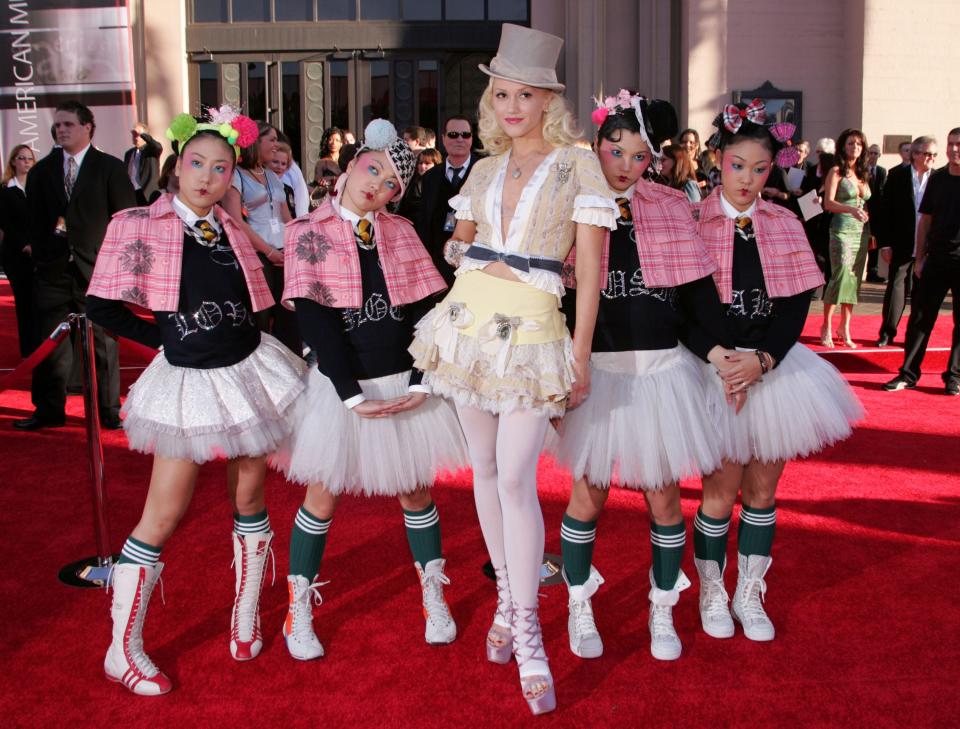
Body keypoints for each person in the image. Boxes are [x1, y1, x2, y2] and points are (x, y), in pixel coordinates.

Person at [408, 23, 616, 715]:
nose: (511, 106)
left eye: (525, 94)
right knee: (486, 469)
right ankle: (505, 596)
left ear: (548, 100)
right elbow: (455, 245)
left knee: (519, 473)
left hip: (532, 330)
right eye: (501, 93)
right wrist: (466, 250)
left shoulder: (578, 164)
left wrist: (580, 352)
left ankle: (528, 627)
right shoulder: (485, 169)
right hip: (468, 323)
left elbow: (590, 267)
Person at [85, 107, 307, 695]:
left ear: (233, 175)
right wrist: (166, 337)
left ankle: (244, 616)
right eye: (197, 164)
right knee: (163, 513)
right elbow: (102, 307)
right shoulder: (137, 223)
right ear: (177, 167)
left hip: (248, 373)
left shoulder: (232, 229)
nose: (207, 176)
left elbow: (257, 304)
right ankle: (120, 649)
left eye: (221, 168)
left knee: (251, 494)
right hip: (187, 381)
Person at [552, 91, 735, 663]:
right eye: (615, 151)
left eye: (639, 156)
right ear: (597, 145)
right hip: (596, 372)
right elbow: (551, 294)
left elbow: (695, 295)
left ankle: (663, 608)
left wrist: (720, 350)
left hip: (660, 371)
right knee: (588, 494)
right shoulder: (571, 204)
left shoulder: (671, 205)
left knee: (663, 498)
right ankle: (578, 602)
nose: (626, 166)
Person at [276, 119, 466, 660]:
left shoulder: (401, 233)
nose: (376, 185)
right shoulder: (305, 233)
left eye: (390, 185)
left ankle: (433, 592)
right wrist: (349, 393)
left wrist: (423, 378)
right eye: (372, 169)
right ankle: (299, 604)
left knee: (414, 489)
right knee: (322, 492)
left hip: (402, 379)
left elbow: (429, 310)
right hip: (342, 384)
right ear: (354, 162)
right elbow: (315, 321)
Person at [692, 100, 862, 644]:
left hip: (775, 369)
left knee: (762, 492)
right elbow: (679, 307)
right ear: (718, 159)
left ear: (774, 169)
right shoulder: (691, 220)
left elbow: (794, 304)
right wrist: (724, 358)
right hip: (709, 370)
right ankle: (712, 589)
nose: (746, 179)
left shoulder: (785, 221)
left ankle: (750, 590)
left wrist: (762, 360)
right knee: (719, 492)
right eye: (737, 164)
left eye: (759, 168)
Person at [14, 100, 137, 431]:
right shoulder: (41, 172)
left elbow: (125, 220)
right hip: (52, 271)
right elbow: (34, 221)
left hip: (97, 271)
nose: (61, 130)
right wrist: (43, 255)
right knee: (50, 344)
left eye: (68, 124)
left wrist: (117, 268)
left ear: (87, 127)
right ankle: (50, 409)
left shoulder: (109, 168)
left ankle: (108, 412)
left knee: (102, 345)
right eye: (57, 125)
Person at [884, 127, 960, 395]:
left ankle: (954, 376)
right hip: (936, 259)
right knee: (919, 319)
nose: (954, 149)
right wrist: (919, 258)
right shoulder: (937, 179)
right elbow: (925, 220)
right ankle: (908, 373)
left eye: (958, 145)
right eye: (951, 144)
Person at [222, 120, 300, 356]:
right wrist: (268, 251)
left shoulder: (272, 176)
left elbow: (287, 217)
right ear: (255, 142)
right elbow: (235, 221)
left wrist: (293, 249)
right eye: (272, 139)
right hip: (257, 257)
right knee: (261, 321)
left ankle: (294, 374)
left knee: (290, 320)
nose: (277, 145)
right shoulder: (235, 175)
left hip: (283, 255)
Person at [876, 136, 938, 346]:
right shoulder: (897, 176)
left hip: (929, 246)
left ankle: (914, 336)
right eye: (928, 153)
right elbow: (885, 211)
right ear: (915, 154)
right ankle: (887, 332)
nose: (931, 158)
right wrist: (885, 243)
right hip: (901, 242)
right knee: (896, 287)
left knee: (922, 293)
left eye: (934, 155)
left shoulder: (938, 178)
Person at [821, 128, 871, 348]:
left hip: (861, 232)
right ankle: (827, 326)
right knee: (839, 276)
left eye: (859, 144)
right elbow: (828, 203)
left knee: (854, 279)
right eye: (851, 143)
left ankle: (845, 327)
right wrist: (850, 210)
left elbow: (866, 204)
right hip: (841, 230)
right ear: (843, 146)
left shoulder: (862, 173)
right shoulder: (836, 171)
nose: (855, 148)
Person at [415, 115, 479, 285]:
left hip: (474, 264)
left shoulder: (484, 172)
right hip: (436, 266)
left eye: (465, 135)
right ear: (443, 139)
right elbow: (424, 220)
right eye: (453, 134)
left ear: (471, 139)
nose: (460, 139)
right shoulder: (430, 177)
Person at [0, 144, 37, 357]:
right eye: (21, 158)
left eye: (29, 158)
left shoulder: (38, 187)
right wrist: (24, 244)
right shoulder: (5, 189)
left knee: (41, 304)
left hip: (39, 255)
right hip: (16, 256)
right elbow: (6, 222)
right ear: (13, 161)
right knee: (24, 304)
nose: (26, 162)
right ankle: (28, 351)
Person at [124, 122, 163, 205]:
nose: (135, 137)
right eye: (133, 134)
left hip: (147, 193)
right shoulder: (129, 153)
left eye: (137, 134)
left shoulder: (151, 150)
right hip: (132, 194)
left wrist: (142, 134)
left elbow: (158, 147)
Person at [397, 147, 441, 221]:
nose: (423, 166)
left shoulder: (441, 184)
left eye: (427, 163)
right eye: (420, 163)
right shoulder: (412, 182)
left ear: (436, 164)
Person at [865, 143, 888, 283]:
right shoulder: (861, 170)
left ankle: (872, 271)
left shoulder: (881, 171)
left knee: (874, 242)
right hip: (863, 211)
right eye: (871, 153)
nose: (873, 156)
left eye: (876, 153)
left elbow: (882, 190)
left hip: (877, 213)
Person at [269, 140, 298, 217]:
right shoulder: (258, 187)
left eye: (283, 164)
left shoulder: (288, 190)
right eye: (275, 162)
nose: (279, 167)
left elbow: (292, 217)